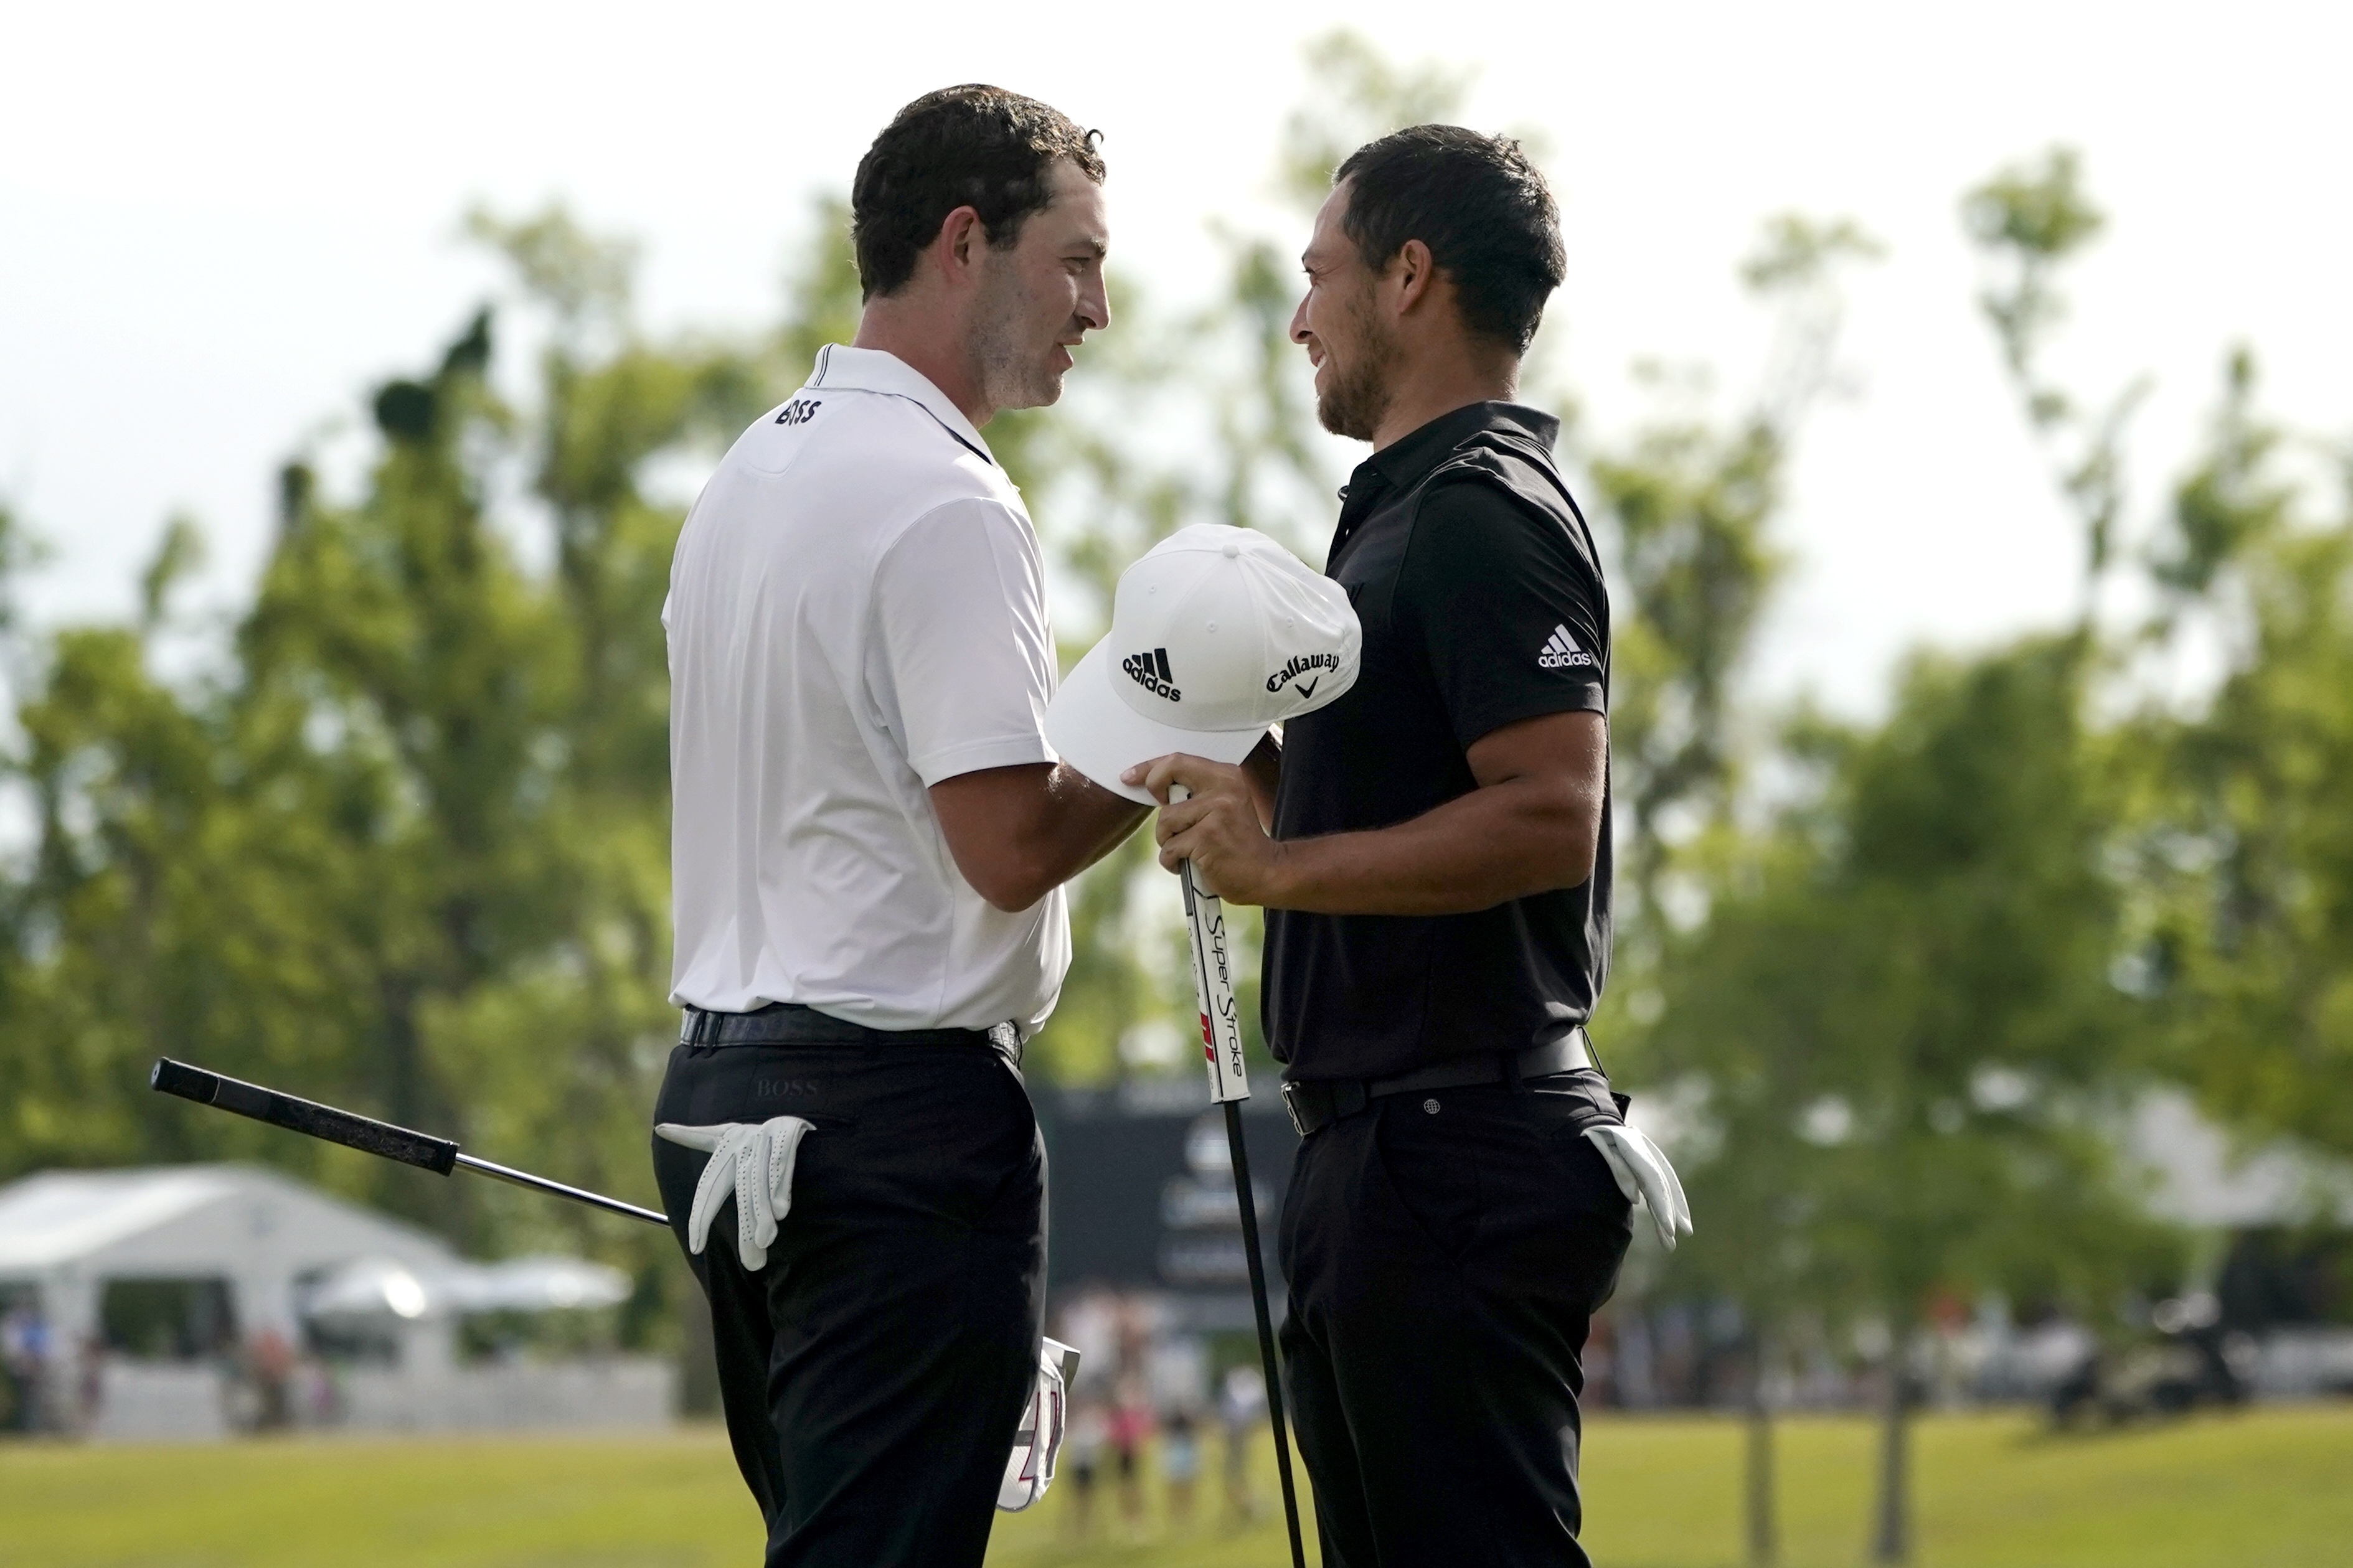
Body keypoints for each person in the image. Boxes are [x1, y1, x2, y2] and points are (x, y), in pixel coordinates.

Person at [1125, 126, 1688, 1567]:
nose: (1302, 313)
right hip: (1391, 1160)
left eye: (1321, 275)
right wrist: (1257, 782)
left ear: (1411, 278)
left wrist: (1278, 870)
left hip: (1457, 1160)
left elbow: (1551, 815)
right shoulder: (1392, 519)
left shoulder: (1480, 516)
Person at [651, 85, 1148, 1567]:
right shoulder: (946, 500)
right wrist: (1178, 718)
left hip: (724, 1096)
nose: (1098, 309)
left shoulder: (744, 477)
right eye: (1075, 261)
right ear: (962, 242)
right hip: (893, 1124)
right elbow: (1004, 852)